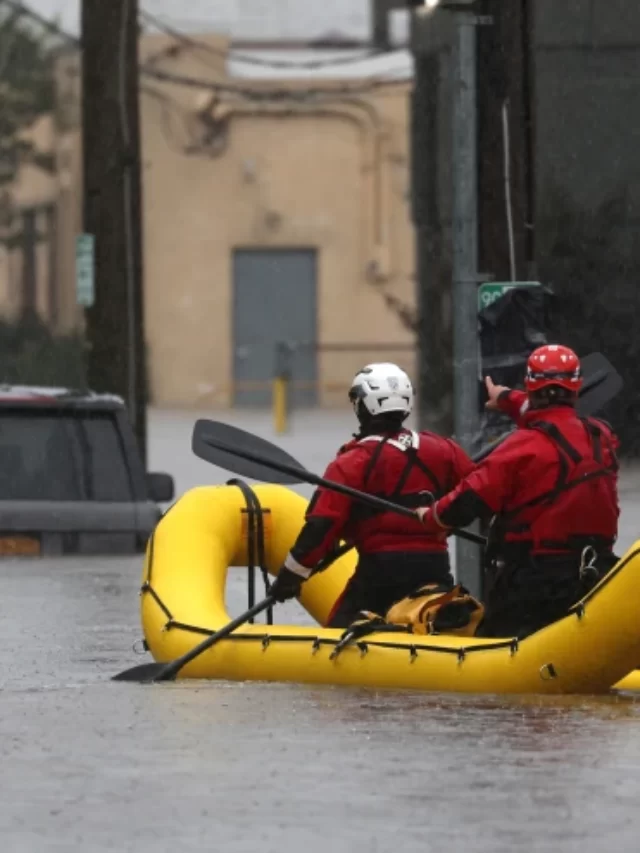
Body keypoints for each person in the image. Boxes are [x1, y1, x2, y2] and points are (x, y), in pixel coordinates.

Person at [417, 344, 621, 639]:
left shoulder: (520, 447)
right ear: (576, 386)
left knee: (493, 637)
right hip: (597, 574)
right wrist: (506, 398)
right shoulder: (602, 436)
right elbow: (553, 417)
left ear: (530, 385)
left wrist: (430, 517)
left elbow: (465, 503)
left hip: (535, 584)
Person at [268, 362, 476, 627]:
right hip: (435, 569)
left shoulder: (351, 462)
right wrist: (444, 519)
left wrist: (291, 576)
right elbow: (476, 495)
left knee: (337, 635)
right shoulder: (445, 450)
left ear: (363, 405)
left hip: (379, 573)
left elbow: (320, 525)